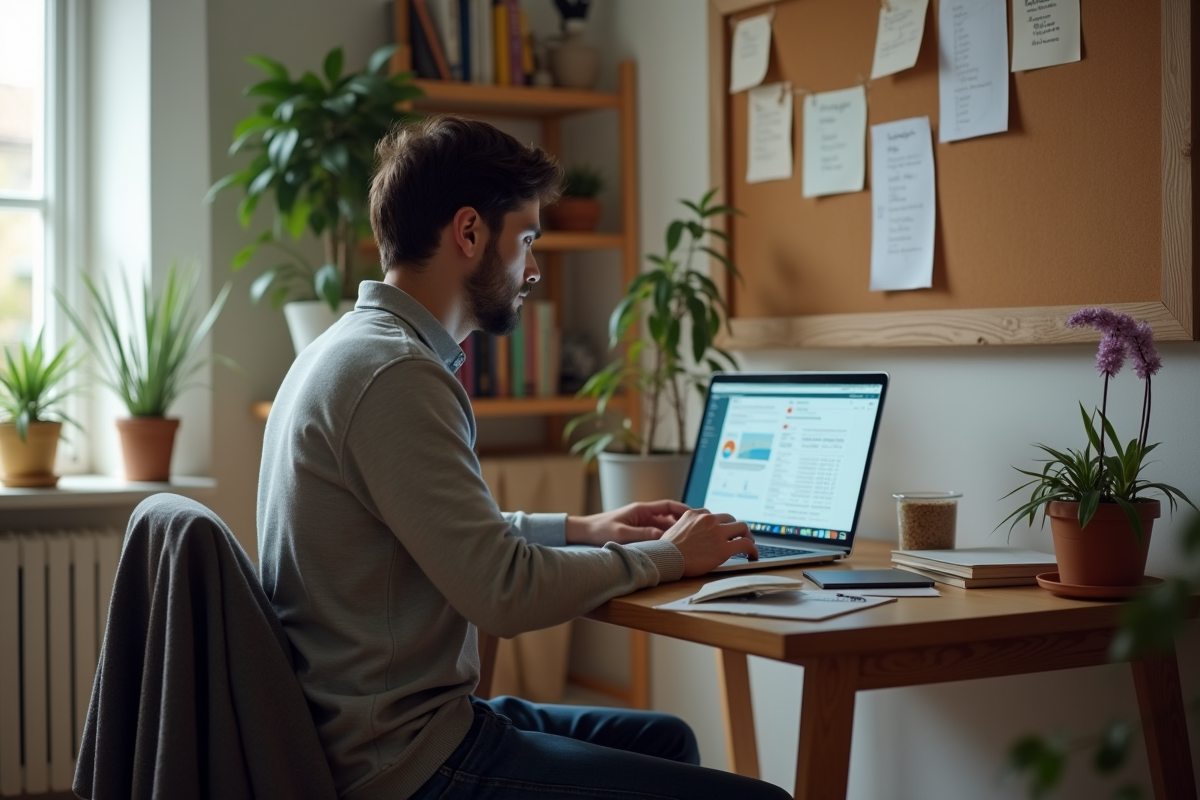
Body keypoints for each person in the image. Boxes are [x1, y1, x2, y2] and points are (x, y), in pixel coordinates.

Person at [257, 115, 787, 800]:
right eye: (528, 240)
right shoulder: (396, 375)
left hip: (384, 727)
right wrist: (670, 558)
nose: (533, 269)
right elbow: (501, 594)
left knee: (668, 742)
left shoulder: (348, 350)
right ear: (470, 231)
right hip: (405, 760)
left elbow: (441, 532)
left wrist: (581, 529)